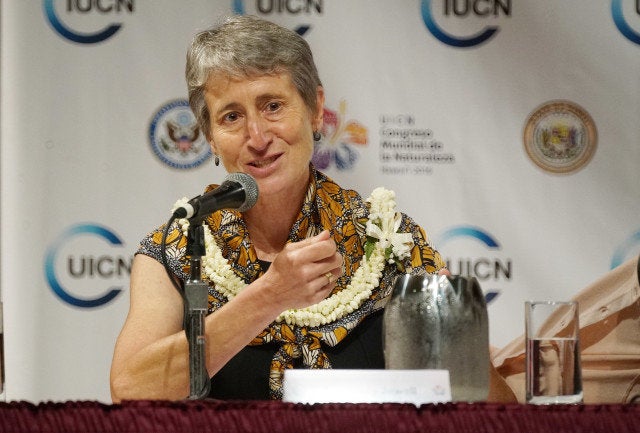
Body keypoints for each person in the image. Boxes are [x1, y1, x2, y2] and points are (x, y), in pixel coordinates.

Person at [109, 15, 449, 402]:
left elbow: (478, 402)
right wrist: (270, 295)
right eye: (232, 116)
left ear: (315, 109)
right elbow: (130, 390)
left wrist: (462, 340)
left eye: (272, 106)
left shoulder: (391, 242)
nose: (257, 137)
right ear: (211, 138)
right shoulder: (179, 250)